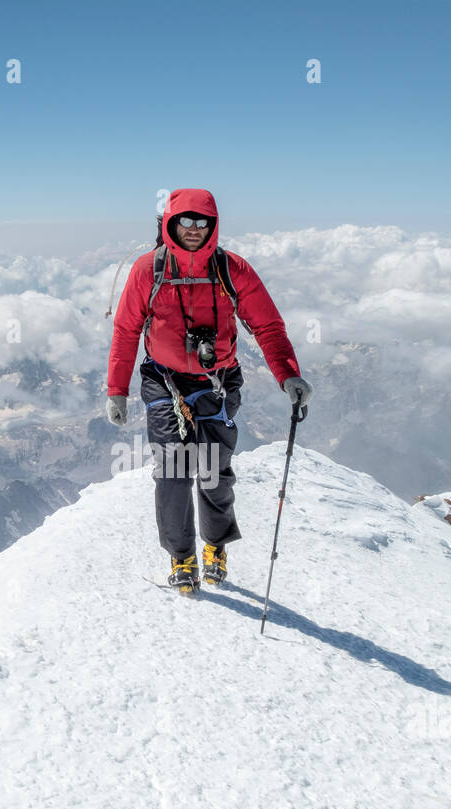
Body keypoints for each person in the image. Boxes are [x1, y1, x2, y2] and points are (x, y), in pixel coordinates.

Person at [105, 187, 312, 594]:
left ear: (213, 225)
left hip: (217, 382)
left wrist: (288, 375)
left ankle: (215, 546)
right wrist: (117, 389)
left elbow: (268, 325)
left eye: (203, 222)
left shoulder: (232, 269)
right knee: (174, 471)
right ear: (170, 223)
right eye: (186, 221)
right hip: (164, 381)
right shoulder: (149, 270)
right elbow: (127, 329)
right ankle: (182, 556)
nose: (195, 229)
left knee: (214, 472)